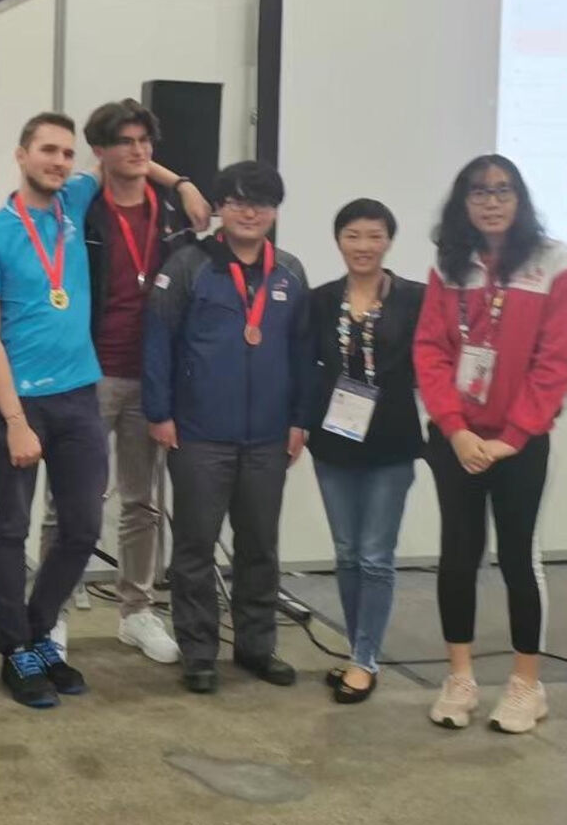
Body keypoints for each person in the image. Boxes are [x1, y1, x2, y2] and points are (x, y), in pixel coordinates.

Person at [0, 111, 208, 709]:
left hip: (79, 391)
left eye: (67, 153)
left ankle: (41, 630)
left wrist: (182, 184)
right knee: (14, 527)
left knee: (81, 527)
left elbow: (131, 156)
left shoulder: (75, 202)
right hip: (17, 402)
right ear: (21, 156)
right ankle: (17, 649)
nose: (59, 162)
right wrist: (15, 419)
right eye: (48, 151)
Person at [143, 161, 311, 695]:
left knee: (259, 545)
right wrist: (160, 413)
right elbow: (158, 343)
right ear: (220, 206)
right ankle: (199, 652)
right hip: (198, 434)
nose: (249, 211)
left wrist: (300, 421)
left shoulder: (290, 272)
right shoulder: (188, 265)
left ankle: (257, 647)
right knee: (194, 546)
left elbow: (304, 355)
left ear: (274, 212)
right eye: (237, 200)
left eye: (260, 202)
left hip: (267, 435)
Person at [414, 154, 567, 734]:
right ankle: (461, 677)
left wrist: (513, 437)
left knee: (517, 558)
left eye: (503, 190)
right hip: (456, 441)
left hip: (517, 444)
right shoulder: (448, 265)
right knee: (457, 552)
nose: (492, 200)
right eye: (479, 191)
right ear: (463, 202)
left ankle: (527, 685)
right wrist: (454, 429)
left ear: (520, 199)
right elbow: (430, 351)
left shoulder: (551, 261)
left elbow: (554, 362)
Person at [41, 98, 195, 665]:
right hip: (88, 373)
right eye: (125, 142)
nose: (138, 151)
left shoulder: (172, 213)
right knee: (68, 501)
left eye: (144, 141)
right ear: (101, 151)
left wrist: (179, 183)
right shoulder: (81, 204)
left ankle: (136, 611)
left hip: (150, 377)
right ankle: (52, 611)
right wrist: (178, 178)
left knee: (142, 502)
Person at [308, 199, 423, 704]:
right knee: (348, 553)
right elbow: (306, 367)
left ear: (390, 241)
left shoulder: (416, 299)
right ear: (338, 241)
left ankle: (365, 660)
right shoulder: (320, 300)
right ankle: (359, 648)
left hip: (393, 443)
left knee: (376, 556)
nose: (363, 246)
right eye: (353, 235)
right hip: (333, 442)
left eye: (374, 236)